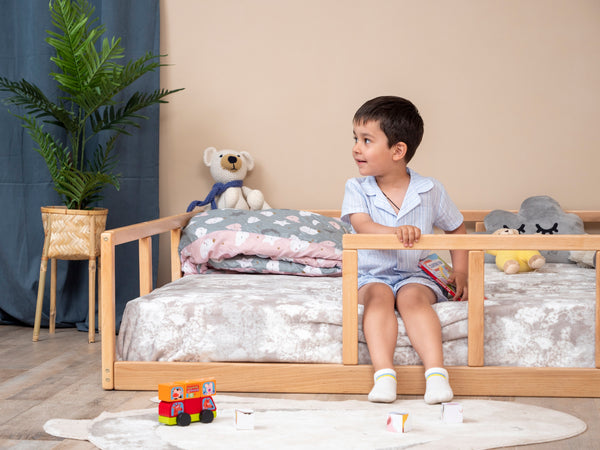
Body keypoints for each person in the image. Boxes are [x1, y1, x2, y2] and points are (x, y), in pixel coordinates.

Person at [341, 96, 468, 404]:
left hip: (417, 272)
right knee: (379, 298)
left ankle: (436, 374)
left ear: (398, 151)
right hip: (373, 273)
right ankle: (384, 375)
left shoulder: (430, 189)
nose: (356, 148)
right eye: (355, 139)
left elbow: (456, 229)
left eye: (367, 140)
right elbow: (361, 224)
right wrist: (395, 232)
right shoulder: (358, 188)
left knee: (412, 300)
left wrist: (461, 271)